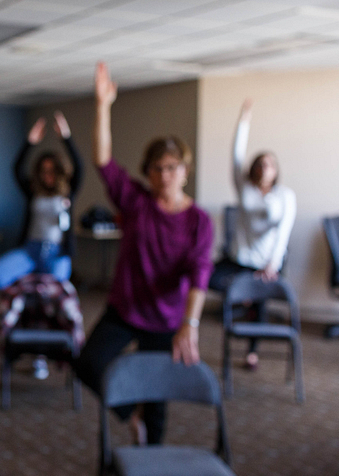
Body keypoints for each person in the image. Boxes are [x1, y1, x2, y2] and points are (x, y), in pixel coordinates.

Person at [74, 62, 214, 446]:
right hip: (125, 309)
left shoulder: (199, 221)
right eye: (157, 168)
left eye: (172, 167)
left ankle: (151, 456)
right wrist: (103, 105)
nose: (165, 175)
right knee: (87, 364)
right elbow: (103, 160)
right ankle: (127, 411)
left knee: (158, 403)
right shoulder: (136, 202)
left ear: (185, 171)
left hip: (167, 318)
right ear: (148, 172)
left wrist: (191, 323)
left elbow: (200, 273)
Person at [209, 99, 296, 370]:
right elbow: (236, 155)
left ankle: (252, 353)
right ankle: (240, 294)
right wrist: (243, 120)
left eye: (269, 164)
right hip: (238, 258)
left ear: (276, 170)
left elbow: (284, 231)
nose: (264, 167)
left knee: (260, 303)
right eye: (260, 163)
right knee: (204, 276)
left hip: (265, 263)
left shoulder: (285, 196)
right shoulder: (245, 188)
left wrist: (273, 264)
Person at [0, 111, 83, 290]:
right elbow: (17, 168)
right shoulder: (33, 191)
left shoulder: (68, 192)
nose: (47, 175)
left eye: (51, 170)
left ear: (59, 171)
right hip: (31, 249)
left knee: (55, 290)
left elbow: (79, 167)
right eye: (44, 170)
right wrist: (29, 143)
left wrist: (66, 138)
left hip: (57, 252)